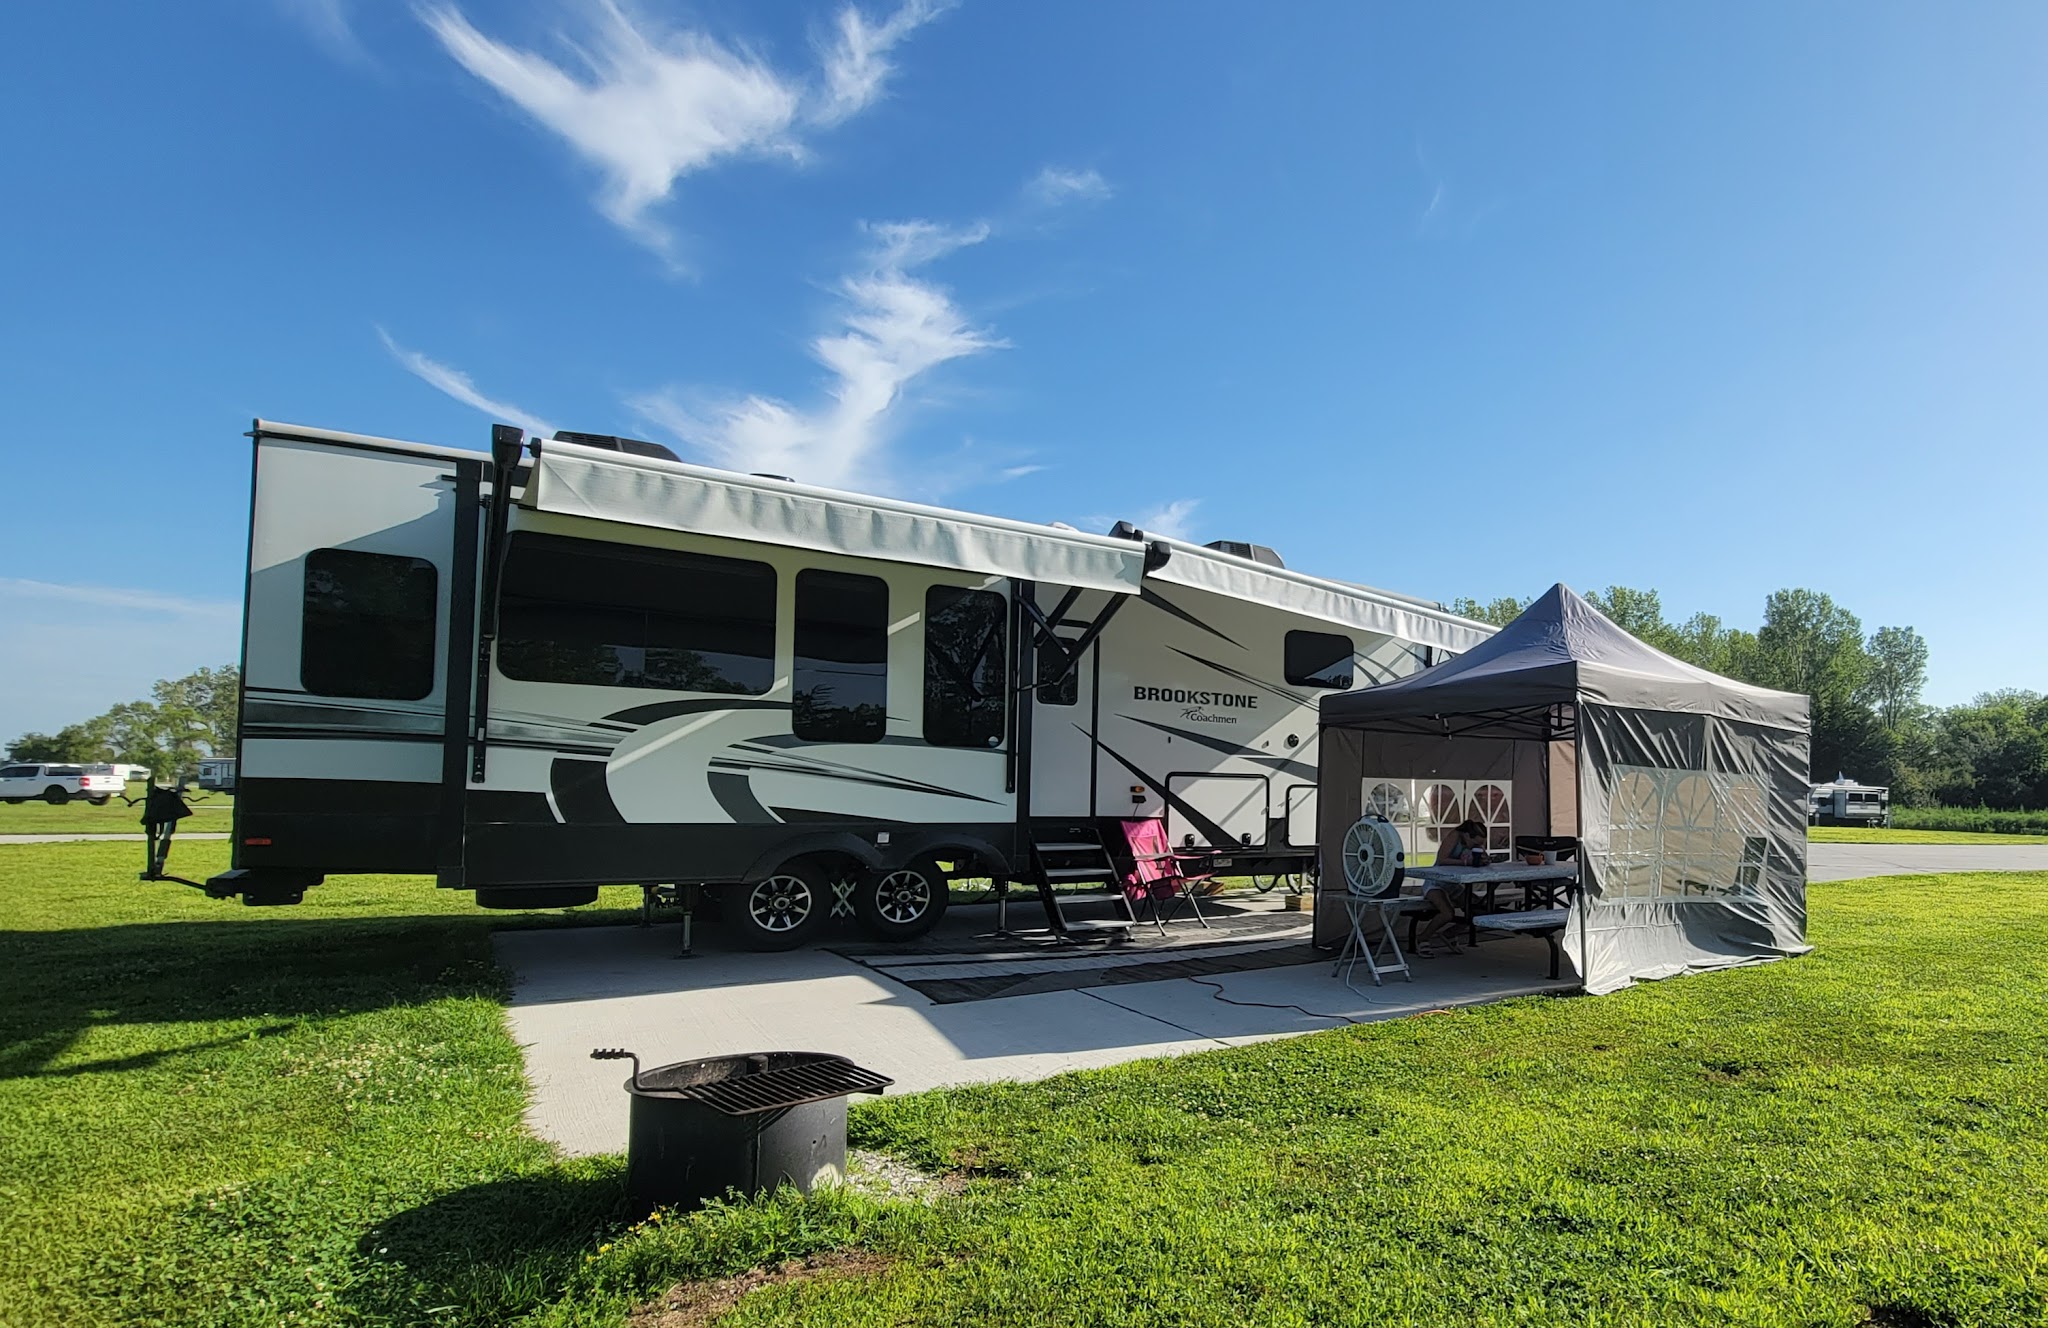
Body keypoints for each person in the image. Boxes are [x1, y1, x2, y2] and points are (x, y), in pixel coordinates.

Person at [1416, 820, 1489, 955]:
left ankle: (1450, 934)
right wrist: (1467, 862)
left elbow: (1483, 855)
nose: (1478, 846)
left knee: (1477, 908)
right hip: (1435, 882)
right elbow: (1442, 860)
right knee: (1447, 913)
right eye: (1476, 843)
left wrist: (1484, 859)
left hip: (1453, 884)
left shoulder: (1474, 843)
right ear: (1467, 836)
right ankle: (1422, 938)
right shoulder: (1454, 836)